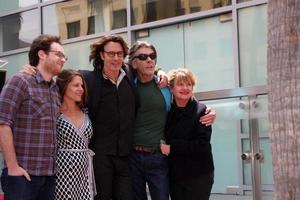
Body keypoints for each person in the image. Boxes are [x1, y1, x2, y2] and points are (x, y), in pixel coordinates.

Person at [128, 41, 216, 200]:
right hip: (135, 157)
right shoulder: (129, 85)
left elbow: (190, 103)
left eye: (152, 56)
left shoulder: (165, 89)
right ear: (134, 63)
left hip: (167, 161)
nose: (149, 59)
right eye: (143, 56)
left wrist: (209, 111)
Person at [0, 34, 65, 200]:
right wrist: (12, 167)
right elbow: (2, 123)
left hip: (49, 177)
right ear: (42, 54)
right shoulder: (20, 81)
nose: (63, 59)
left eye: (64, 56)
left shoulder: (54, 90)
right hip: (23, 176)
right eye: (58, 54)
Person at [81, 35, 138, 200]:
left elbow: (150, 70)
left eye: (120, 54)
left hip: (125, 155)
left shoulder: (128, 74)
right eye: (111, 53)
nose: (116, 58)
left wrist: (161, 73)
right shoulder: (88, 79)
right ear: (102, 55)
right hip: (100, 156)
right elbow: (63, 83)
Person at [160, 68, 214, 200]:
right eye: (180, 84)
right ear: (171, 89)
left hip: (198, 175)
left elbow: (202, 145)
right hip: (175, 175)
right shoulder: (166, 112)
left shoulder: (202, 110)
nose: (185, 88)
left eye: (189, 84)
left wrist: (172, 148)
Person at [55, 69, 96, 199]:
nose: (81, 89)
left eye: (82, 86)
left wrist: (159, 72)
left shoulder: (86, 110)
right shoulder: (55, 112)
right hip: (62, 171)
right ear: (64, 86)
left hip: (84, 170)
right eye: (76, 85)